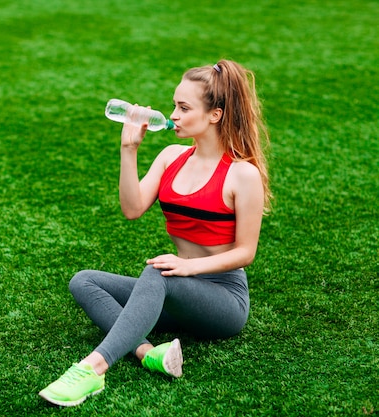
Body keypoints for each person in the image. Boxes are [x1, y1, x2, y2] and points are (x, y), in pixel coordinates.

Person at [38, 59, 272, 407]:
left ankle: (92, 369)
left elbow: (245, 253)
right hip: (177, 289)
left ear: (215, 115)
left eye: (183, 107)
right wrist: (128, 149)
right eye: (174, 105)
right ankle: (149, 353)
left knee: (157, 272)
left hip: (224, 300)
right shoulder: (170, 157)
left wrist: (189, 267)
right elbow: (132, 209)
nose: (173, 115)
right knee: (84, 281)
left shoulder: (242, 175)